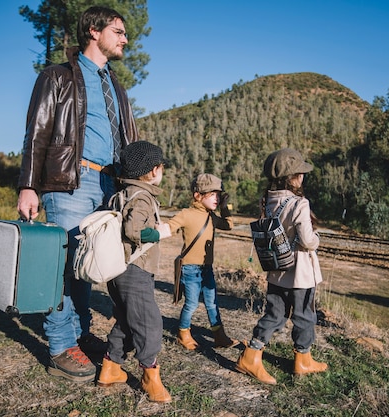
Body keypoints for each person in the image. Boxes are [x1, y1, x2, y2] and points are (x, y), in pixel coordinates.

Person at [16, 6, 138, 382]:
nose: (125, 39)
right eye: (118, 31)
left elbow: (127, 138)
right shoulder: (58, 76)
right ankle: (59, 345)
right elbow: (37, 132)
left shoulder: (115, 85)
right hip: (71, 180)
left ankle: (80, 334)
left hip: (108, 184)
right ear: (93, 31)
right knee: (64, 267)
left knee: (87, 266)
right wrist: (28, 185)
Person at [235, 148, 328, 385]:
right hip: (300, 273)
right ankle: (303, 360)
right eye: (301, 173)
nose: (303, 177)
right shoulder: (299, 203)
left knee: (274, 314)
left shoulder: (268, 200)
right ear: (293, 177)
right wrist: (317, 240)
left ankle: (252, 354)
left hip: (276, 270)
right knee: (304, 315)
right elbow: (307, 240)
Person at [96, 141, 172, 403]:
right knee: (149, 323)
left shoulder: (122, 193)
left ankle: (111, 368)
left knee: (127, 320)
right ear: (153, 171)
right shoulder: (142, 197)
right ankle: (150, 377)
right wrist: (159, 233)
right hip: (135, 269)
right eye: (161, 167)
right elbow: (133, 231)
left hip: (119, 270)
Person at [165, 173, 238, 350]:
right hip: (189, 269)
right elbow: (168, 227)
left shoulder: (211, 216)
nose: (217, 198)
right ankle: (183, 333)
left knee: (212, 303)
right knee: (191, 303)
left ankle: (219, 336)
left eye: (219, 195)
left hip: (207, 268)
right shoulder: (186, 214)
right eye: (213, 194)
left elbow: (229, 225)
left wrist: (225, 206)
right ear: (198, 195)